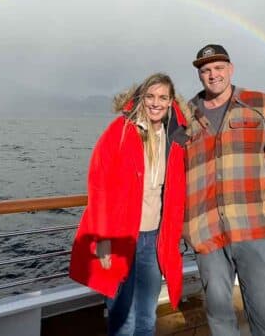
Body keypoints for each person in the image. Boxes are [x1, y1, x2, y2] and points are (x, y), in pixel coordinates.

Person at [184, 44, 265, 336]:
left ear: (230, 69)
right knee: (220, 321)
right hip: (207, 234)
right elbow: (172, 173)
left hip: (255, 229)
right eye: (206, 70)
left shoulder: (258, 103)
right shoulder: (186, 115)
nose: (213, 75)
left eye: (218, 68)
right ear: (199, 75)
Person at [69, 72, 189, 336]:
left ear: (171, 102)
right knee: (123, 319)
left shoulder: (177, 138)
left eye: (162, 97)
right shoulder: (120, 131)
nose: (156, 103)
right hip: (121, 238)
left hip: (155, 240)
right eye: (150, 96)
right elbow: (98, 186)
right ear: (141, 98)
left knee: (147, 317)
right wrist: (102, 240)